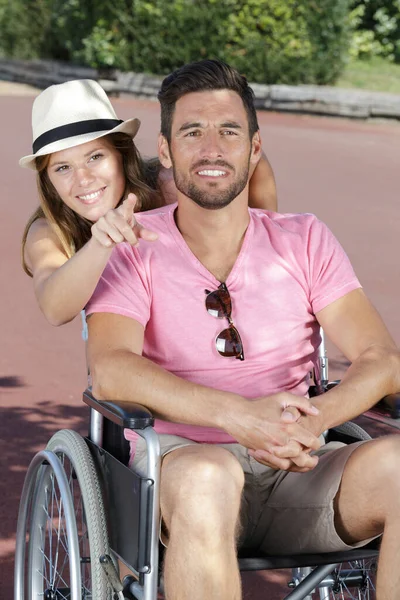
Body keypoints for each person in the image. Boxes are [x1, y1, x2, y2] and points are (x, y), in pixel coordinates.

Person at [86, 59, 400, 600]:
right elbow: (111, 369)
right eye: (192, 132)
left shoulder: (304, 239)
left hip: (299, 466)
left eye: (229, 131)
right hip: (184, 466)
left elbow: (381, 358)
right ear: (165, 150)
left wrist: (314, 420)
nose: (212, 148)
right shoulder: (132, 246)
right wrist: (238, 416)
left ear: (253, 149)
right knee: (209, 479)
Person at [20, 79, 277, 327]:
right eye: (63, 167)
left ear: (122, 154)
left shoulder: (169, 186)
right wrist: (101, 242)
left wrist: (264, 243)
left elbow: (256, 158)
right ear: (48, 178)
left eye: (95, 157)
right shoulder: (50, 230)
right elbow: (55, 309)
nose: (84, 179)